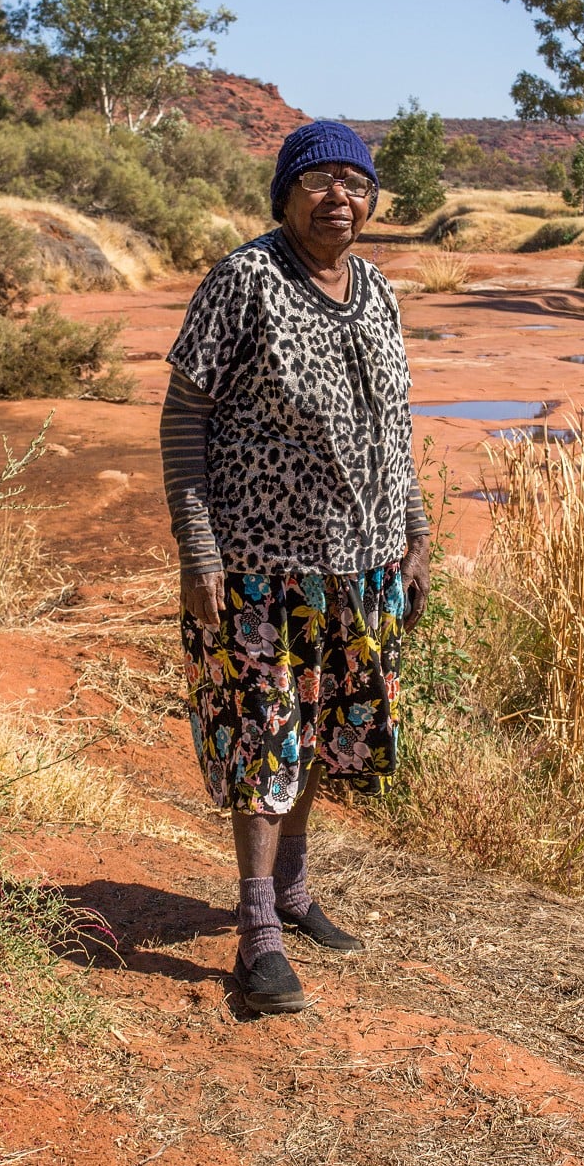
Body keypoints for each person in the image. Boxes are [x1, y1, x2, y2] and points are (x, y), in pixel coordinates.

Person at [160, 120, 430, 1014]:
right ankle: (257, 934)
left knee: (315, 737)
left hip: (361, 571)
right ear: (283, 194)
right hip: (257, 570)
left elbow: (395, 426)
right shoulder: (245, 281)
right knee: (262, 739)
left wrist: (415, 532)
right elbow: (183, 421)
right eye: (318, 181)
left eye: (355, 182)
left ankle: (295, 891)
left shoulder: (379, 288)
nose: (338, 198)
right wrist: (199, 551)